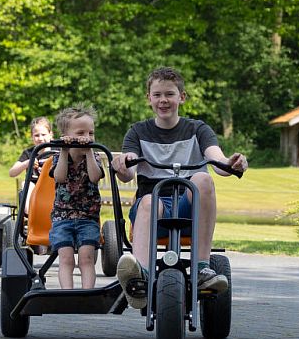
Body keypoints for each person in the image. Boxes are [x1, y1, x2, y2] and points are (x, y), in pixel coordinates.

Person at [111, 66, 247, 303]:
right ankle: (140, 278)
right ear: (149, 99)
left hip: (188, 209)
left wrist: (232, 163)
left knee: (203, 178)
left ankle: (202, 269)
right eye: (157, 95)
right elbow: (129, 170)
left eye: (170, 94)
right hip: (154, 211)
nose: (163, 100)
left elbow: (217, 161)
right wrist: (122, 165)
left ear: (181, 97)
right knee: (150, 200)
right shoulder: (137, 131)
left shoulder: (197, 129)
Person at [48, 106, 104, 290]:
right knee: (66, 258)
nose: (87, 137)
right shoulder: (58, 158)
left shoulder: (94, 155)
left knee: (87, 258)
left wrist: (88, 152)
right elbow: (60, 177)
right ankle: (67, 292)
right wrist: (64, 150)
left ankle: (87, 292)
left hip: (88, 217)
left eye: (91, 133)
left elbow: (95, 177)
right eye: (81, 133)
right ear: (66, 135)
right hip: (62, 217)